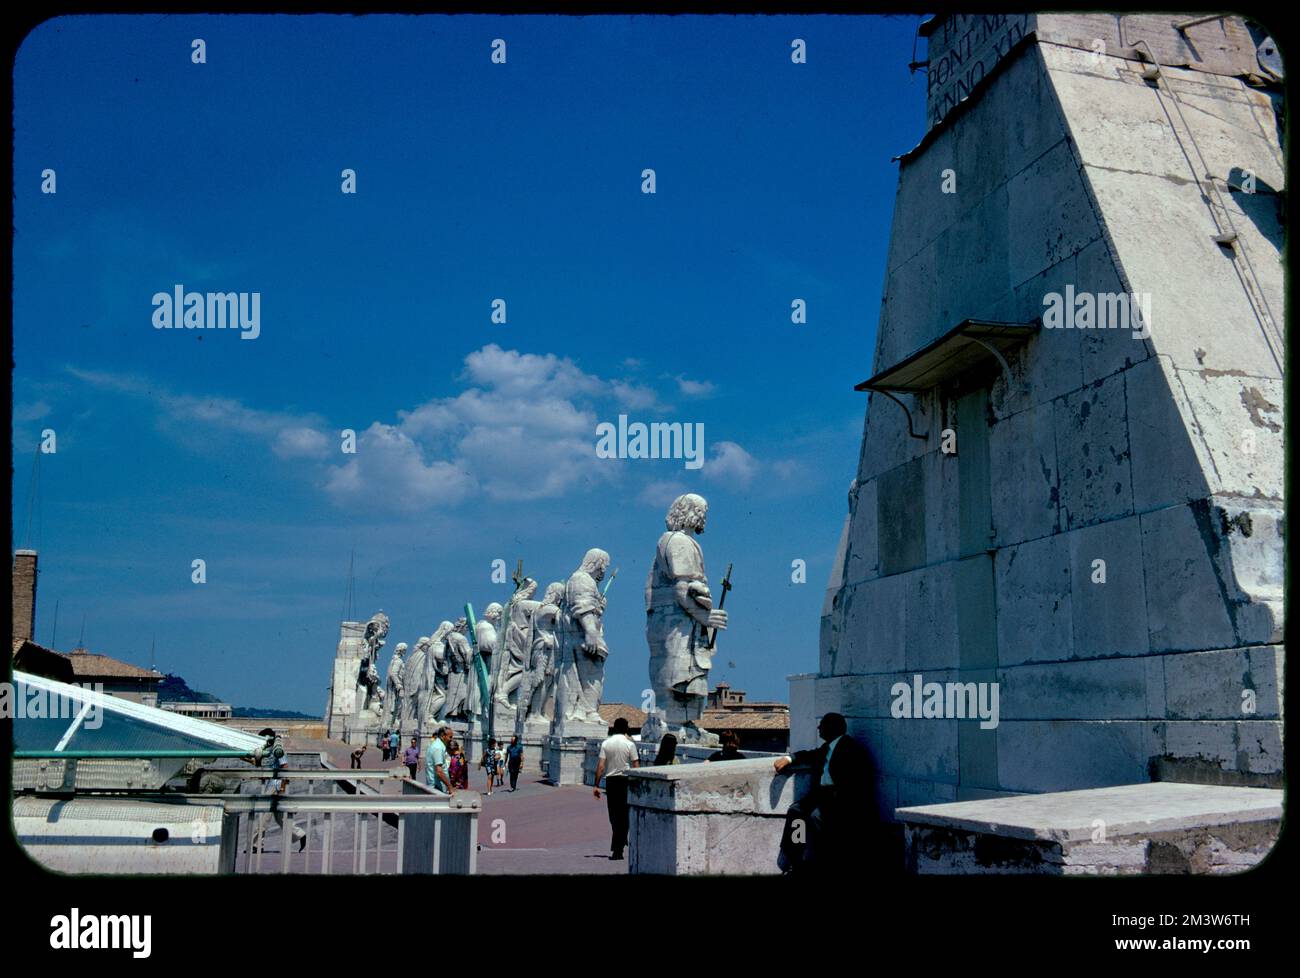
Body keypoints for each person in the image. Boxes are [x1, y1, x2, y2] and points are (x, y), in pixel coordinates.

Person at [773, 712, 877, 875]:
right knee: (796, 811)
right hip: (822, 795)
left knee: (816, 817)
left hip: (841, 800)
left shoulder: (850, 749)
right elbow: (810, 755)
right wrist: (789, 758)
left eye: (822, 725)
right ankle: (795, 857)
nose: (818, 728)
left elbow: (856, 783)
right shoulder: (828, 747)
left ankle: (825, 863)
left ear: (832, 728)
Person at [593, 717, 639, 860]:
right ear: (626, 729)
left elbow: (601, 767)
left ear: (614, 728)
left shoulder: (606, 744)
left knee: (614, 815)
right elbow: (636, 766)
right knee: (624, 815)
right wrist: (637, 784)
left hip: (611, 782)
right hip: (625, 781)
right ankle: (620, 843)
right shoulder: (630, 744)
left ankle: (617, 847)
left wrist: (596, 785)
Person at [425, 723, 455, 795]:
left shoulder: (438, 745)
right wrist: (450, 786)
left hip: (437, 786)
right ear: (442, 736)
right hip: (437, 787)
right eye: (450, 737)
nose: (451, 739)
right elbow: (439, 771)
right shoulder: (438, 748)